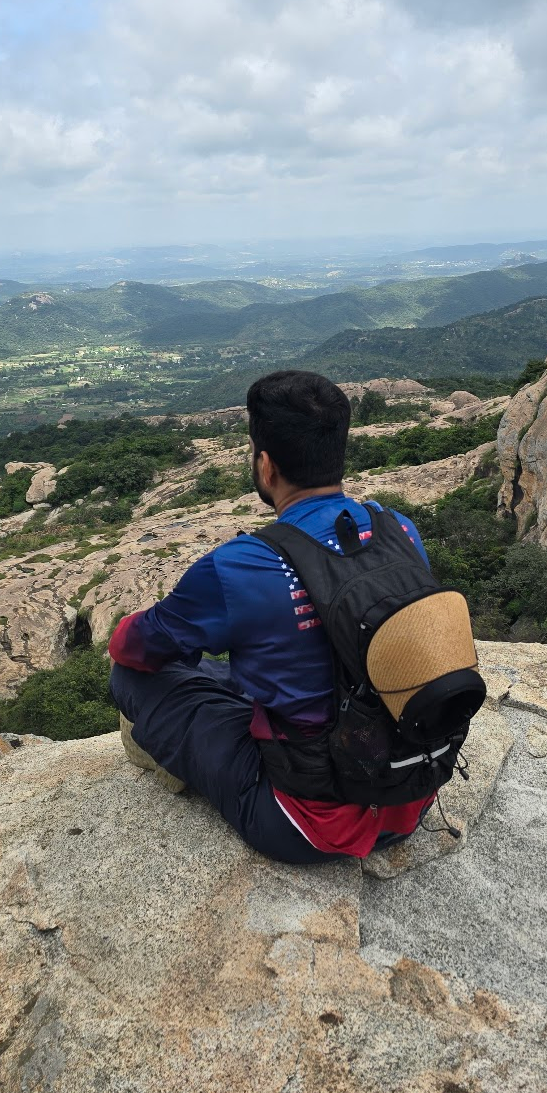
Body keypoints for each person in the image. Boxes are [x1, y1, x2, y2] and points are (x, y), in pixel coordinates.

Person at [108, 369, 439, 863]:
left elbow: (134, 649)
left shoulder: (241, 566)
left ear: (266, 466)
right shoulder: (400, 531)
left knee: (131, 679)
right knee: (240, 670)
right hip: (411, 795)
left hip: (307, 823)